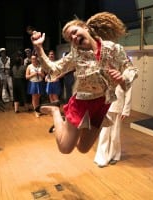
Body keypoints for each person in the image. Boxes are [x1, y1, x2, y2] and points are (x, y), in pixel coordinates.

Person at [31, 12, 138, 154]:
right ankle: (55, 110)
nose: (74, 38)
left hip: (102, 104)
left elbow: (131, 69)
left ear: (86, 28)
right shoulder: (75, 55)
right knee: (65, 148)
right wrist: (39, 48)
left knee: (83, 149)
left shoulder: (113, 49)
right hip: (82, 103)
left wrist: (122, 78)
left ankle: (71, 128)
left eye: (75, 32)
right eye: (71, 38)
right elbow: (53, 70)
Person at [94, 84, 132, 168]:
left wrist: (126, 110)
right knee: (104, 133)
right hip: (106, 105)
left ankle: (114, 155)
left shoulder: (127, 73)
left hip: (118, 107)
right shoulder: (107, 72)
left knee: (115, 134)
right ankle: (101, 157)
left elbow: (128, 92)